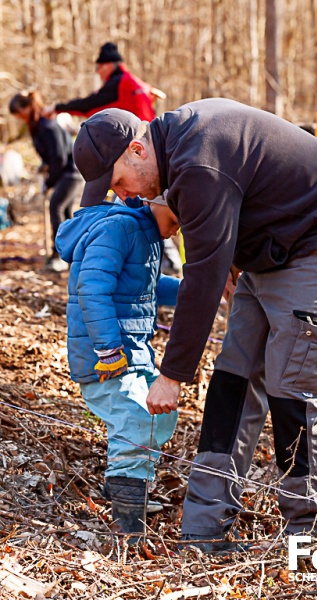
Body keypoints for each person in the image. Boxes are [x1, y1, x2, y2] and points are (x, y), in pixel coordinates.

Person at [71, 101, 317, 548]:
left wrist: (172, 375)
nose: (124, 196)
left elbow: (202, 275)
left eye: (119, 182)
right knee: (232, 380)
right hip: (268, 250)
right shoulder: (172, 155)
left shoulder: (197, 162)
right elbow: (216, 241)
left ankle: (309, 540)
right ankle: (203, 529)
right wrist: (233, 257)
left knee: (294, 388)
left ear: (136, 150)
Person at [55, 193, 180, 540]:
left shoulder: (147, 236)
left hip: (135, 353)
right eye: (178, 215)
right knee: (135, 419)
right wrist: (108, 349)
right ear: (158, 199)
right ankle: (128, 516)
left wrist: (197, 292)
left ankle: (127, 486)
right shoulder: (119, 228)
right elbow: (92, 289)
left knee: (161, 412)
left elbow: (150, 287)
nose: (179, 227)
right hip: (107, 358)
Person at [9, 90, 82, 272]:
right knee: (64, 211)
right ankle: (73, 254)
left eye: (19, 112)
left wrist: (49, 182)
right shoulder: (37, 126)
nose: (18, 117)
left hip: (72, 172)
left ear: (27, 108)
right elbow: (51, 157)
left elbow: (59, 158)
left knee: (56, 207)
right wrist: (44, 166)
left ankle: (60, 255)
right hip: (65, 171)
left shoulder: (46, 126)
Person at [44, 42, 159, 122]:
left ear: (108, 66)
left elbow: (87, 105)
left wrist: (56, 108)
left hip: (138, 140)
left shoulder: (118, 83)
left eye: (99, 68)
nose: (98, 72)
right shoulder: (133, 80)